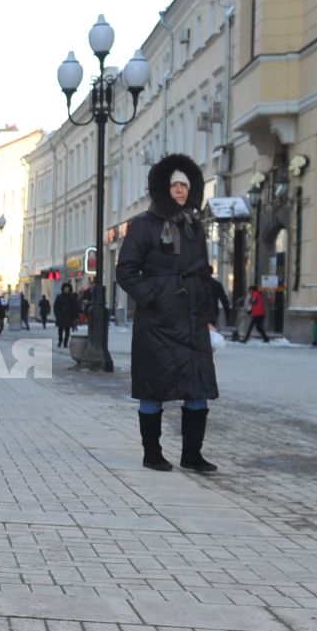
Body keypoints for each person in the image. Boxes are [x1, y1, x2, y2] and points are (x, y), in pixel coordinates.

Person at [116, 155, 219, 473]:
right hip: (157, 324)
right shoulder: (144, 225)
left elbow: (203, 273)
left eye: (184, 186)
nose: (180, 191)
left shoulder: (193, 225)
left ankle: (192, 454)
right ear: (164, 187)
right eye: (174, 185)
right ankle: (152, 452)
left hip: (191, 322)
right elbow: (126, 271)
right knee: (154, 389)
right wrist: (155, 297)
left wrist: (208, 313)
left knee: (198, 391)